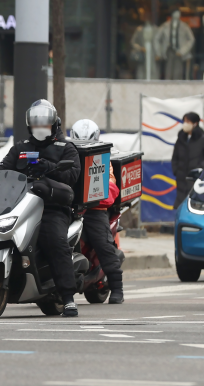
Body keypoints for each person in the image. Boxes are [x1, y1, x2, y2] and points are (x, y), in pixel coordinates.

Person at [0, 100, 82, 317]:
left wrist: (50, 168)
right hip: (17, 206)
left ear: (54, 124)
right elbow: (1, 171)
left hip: (51, 208)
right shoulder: (20, 148)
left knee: (55, 241)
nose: (40, 127)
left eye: (44, 123)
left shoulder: (66, 148)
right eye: (35, 124)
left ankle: (68, 297)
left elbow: (72, 176)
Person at [71, 119, 124, 304]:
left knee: (103, 244)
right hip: (68, 209)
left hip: (94, 210)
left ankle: (117, 288)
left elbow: (112, 188)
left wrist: (93, 196)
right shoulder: (66, 154)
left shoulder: (103, 159)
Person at [171, 112, 204, 209]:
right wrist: (176, 171)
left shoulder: (202, 139)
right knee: (180, 205)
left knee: (193, 205)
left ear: (195, 123)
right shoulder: (181, 139)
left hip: (195, 179)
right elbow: (175, 157)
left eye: (188, 121)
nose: (185, 124)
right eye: (184, 121)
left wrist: (201, 167)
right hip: (181, 178)